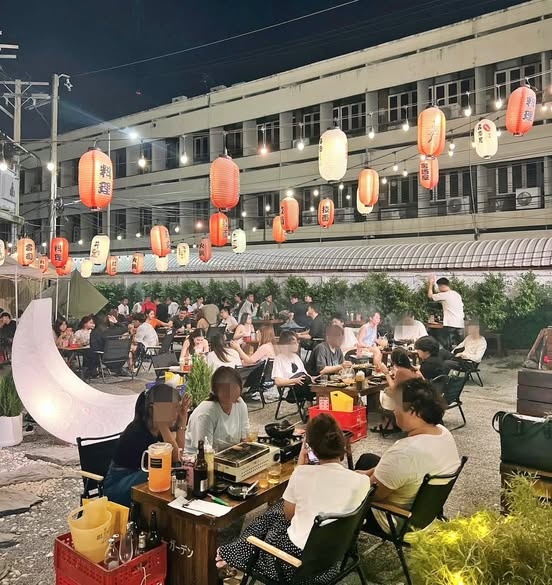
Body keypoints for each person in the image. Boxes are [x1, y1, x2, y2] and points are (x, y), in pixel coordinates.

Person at [216, 413, 370, 581]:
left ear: (310, 447)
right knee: (275, 512)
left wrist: (300, 468)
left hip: (292, 565)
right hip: (331, 563)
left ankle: (233, 552)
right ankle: (235, 550)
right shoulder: (362, 481)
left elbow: (289, 515)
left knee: (274, 515)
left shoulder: (303, 474)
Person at [355, 378, 460, 535]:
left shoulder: (405, 452)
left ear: (413, 411)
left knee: (344, 491)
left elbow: (372, 495)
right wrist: (365, 473)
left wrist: (352, 480)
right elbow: (396, 468)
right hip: (425, 512)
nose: (394, 411)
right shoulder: (442, 432)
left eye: (396, 405)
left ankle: (345, 540)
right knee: (367, 459)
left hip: (398, 521)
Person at [104, 384, 191, 506]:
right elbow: (174, 460)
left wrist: (182, 420)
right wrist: (162, 424)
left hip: (140, 482)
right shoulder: (137, 431)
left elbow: (179, 453)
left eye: (177, 407)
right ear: (154, 409)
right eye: (172, 408)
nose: (176, 413)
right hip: (118, 487)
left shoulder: (159, 429)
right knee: (161, 471)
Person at [185, 366, 249, 453]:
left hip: (229, 454)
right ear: (215, 390)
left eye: (234, 387)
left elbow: (244, 438)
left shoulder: (240, 404)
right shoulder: (206, 413)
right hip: (198, 456)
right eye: (225, 389)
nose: (230, 393)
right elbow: (204, 451)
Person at [372, 347, 421, 433]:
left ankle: (389, 424)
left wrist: (386, 373)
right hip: (416, 399)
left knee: (385, 393)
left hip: (406, 401)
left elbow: (394, 388)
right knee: (387, 391)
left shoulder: (401, 372)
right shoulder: (414, 369)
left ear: (394, 361)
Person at [272, 330, 314, 403]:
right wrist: (294, 380)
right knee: (303, 377)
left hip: (302, 386)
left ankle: (313, 404)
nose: (297, 345)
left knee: (320, 382)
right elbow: (278, 381)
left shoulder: (296, 357)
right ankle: (310, 403)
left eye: (297, 342)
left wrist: (312, 378)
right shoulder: (279, 359)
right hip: (289, 390)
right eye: (294, 343)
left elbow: (305, 374)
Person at [428, 276, 465, 350]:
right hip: (460, 324)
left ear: (441, 286)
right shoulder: (457, 295)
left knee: (445, 345)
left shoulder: (445, 295)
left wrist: (431, 283)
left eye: (439, 287)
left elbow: (430, 296)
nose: (439, 289)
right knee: (459, 347)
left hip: (450, 324)